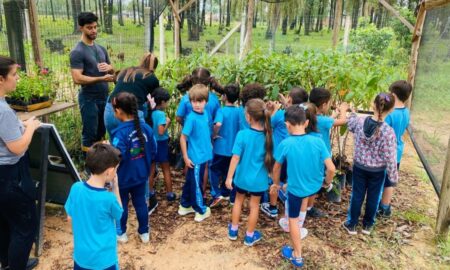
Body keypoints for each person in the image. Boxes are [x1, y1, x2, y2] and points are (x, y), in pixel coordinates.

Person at [270, 105, 335, 267]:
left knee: (291, 217)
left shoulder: (286, 143)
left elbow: (276, 167)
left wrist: (276, 184)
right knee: (302, 200)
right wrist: (326, 182)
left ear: (287, 125)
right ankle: (299, 226)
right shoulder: (318, 141)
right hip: (313, 186)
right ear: (306, 123)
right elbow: (332, 168)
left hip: (296, 188)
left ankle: (297, 254)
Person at [0, 56, 40, 270]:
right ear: (0, 79)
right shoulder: (3, 111)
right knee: (26, 227)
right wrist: (31, 127)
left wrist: (19, 124)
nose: (17, 79)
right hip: (11, 175)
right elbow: (17, 147)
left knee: (5, 223)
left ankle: (8, 263)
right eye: (14, 75)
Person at [343, 93, 397, 235]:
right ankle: (367, 225)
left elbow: (350, 124)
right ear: (391, 110)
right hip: (378, 171)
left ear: (373, 105)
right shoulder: (388, 132)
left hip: (359, 167)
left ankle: (352, 224)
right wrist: (393, 177)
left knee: (357, 195)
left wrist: (352, 113)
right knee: (374, 197)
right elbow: (391, 157)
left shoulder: (360, 122)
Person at [65, 143, 123, 269]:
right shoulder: (109, 199)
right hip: (104, 260)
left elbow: (70, 217)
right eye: (116, 169)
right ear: (110, 171)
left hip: (81, 257)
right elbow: (119, 214)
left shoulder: (76, 188)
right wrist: (116, 187)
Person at [225, 99, 274, 246]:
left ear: (248, 117)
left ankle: (233, 231)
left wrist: (229, 177)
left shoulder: (242, 134)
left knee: (238, 201)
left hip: (241, 178)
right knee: (254, 206)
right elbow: (274, 161)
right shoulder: (268, 136)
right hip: (258, 181)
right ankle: (249, 236)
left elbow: (235, 158)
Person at [110, 92, 156, 244]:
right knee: (141, 203)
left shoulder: (119, 133)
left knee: (121, 204)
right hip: (142, 175)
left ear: (119, 111)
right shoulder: (147, 129)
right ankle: (144, 232)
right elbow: (153, 149)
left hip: (122, 178)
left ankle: (121, 234)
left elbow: (117, 156)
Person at [261, 87, 309, 218]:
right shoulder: (304, 114)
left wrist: (275, 110)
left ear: (290, 99)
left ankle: (272, 207)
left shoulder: (282, 115)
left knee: (274, 179)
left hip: (279, 154)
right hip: (295, 154)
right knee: (290, 178)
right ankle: (292, 203)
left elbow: (267, 125)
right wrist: (285, 104)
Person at [70, 12, 114, 152]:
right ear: (80, 28)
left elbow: (112, 71)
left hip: (104, 97)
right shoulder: (77, 51)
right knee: (90, 134)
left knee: (101, 132)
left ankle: (99, 165)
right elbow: (77, 78)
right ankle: (88, 168)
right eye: (89, 27)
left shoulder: (101, 49)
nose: (94, 30)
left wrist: (111, 68)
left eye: (95, 27)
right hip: (89, 99)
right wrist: (101, 78)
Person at [308, 88, 348, 218]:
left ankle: (307, 203)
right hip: (321, 156)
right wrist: (343, 110)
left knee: (309, 177)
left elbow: (325, 122)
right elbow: (343, 121)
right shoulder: (324, 121)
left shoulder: (308, 116)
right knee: (315, 181)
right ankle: (309, 207)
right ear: (324, 105)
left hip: (309, 154)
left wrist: (333, 116)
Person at [178, 84, 213, 222]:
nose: (197, 104)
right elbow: (183, 137)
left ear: (206, 102)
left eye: (200, 101)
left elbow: (205, 130)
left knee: (190, 181)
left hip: (204, 154)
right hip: (196, 157)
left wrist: (209, 142)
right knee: (197, 184)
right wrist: (186, 157)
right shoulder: (191, 118)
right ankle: (200, 210)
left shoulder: (205, 114)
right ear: (190, 101)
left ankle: (185, 205)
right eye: (194, 101)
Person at [104, 53, 160, 136]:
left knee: (116, 145)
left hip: (111, 110)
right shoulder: (152, 78)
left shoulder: (127, 71)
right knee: (136, 145)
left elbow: (117, 82)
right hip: (131, 114)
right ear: (154, 68)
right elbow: (152, 101)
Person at [378, 81, 412, 218]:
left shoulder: (390, 115)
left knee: (381, 180)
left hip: (386, 152)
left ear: (392, 94)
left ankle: (377, 205)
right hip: (397, 151)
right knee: (390, 180)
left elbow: (382, 134)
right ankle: (385, 207)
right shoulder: (406, 111)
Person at [209, 84, 241, 207]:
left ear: (224, 96)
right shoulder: (239, 111)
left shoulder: (221, 110)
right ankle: (228, 194)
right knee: (230, 171)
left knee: (214, 170)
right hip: (234, 149)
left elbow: (218, 124)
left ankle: (216, 194)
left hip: (221, 147)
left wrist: (214, 134)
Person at [148, 87, 175, 215]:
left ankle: (150, 191)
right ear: (163, 102)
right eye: (167, 102)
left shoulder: (150, 113)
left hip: (152, 144)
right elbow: (160, 131)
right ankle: (170, 193)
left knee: (152, 168)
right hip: (162, 143)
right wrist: (168, 123)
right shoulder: (161, 115)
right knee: (165, 168)